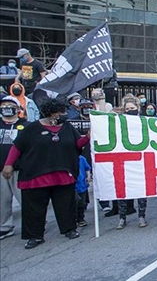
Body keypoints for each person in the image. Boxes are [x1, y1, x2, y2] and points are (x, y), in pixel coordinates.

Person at [2, 98, 88, 249]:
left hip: (62, 174)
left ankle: (69, 229)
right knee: (34, 208)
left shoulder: (67, 127)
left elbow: (77, 144)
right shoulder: (32, 128)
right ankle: (35, 236)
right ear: (52, 114)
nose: (64, 114)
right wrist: (8, 164)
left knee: (66, 205)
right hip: (36, 175)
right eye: (61, 112)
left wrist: (87, 137)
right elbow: (17, 147)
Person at [117, 99, 149, 229]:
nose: (130, 111)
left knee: (141, 190)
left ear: (138, 108)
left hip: (140, 161)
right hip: (124, 161)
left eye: (132, 108)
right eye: (127, 109)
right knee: (122, 190)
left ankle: (141, 217)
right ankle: (122, 218)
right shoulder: (118, 122)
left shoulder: (145, 121)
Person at [0, 96, 27, 239]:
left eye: (10, 105)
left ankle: (33, 224)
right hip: (0, 170)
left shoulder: (27, 126)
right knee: (2, 201)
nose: (6, 107)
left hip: (20, 170)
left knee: (26, 199)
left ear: (18, 109)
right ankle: (5, 227)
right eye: (3, 105)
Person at [74, 155, 91, 227]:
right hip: (72, 185)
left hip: (82, 184)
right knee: (74, 203)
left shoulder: (81, 158)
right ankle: (74, 219)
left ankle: (81, 219)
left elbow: (87, 168)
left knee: (82, 203)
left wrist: (88, 176)